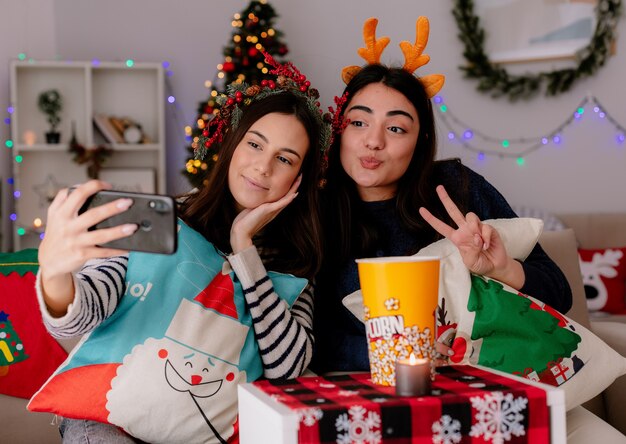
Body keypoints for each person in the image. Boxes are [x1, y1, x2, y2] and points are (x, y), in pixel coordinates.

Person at [35, 54, 328, 444]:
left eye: (284, 158)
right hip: (108, 421)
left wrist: (244, 251)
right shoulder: (163, 219)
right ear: (232, 145)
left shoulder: (296, 264)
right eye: (255, 144)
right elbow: (80, 318)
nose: (263, 167)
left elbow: (287, 369)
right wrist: (55, 273)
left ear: (299, 178)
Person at [312, 17, 573, 375]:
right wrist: (414, 357)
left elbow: (560, 296)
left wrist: (501, 269)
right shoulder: (313, 208)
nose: (374, 140)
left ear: (419, 141)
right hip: (368, 391)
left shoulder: (458, 188)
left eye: (396, 128)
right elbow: (314, 336)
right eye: (359, 122)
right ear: (339, 128)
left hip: (483, 385)